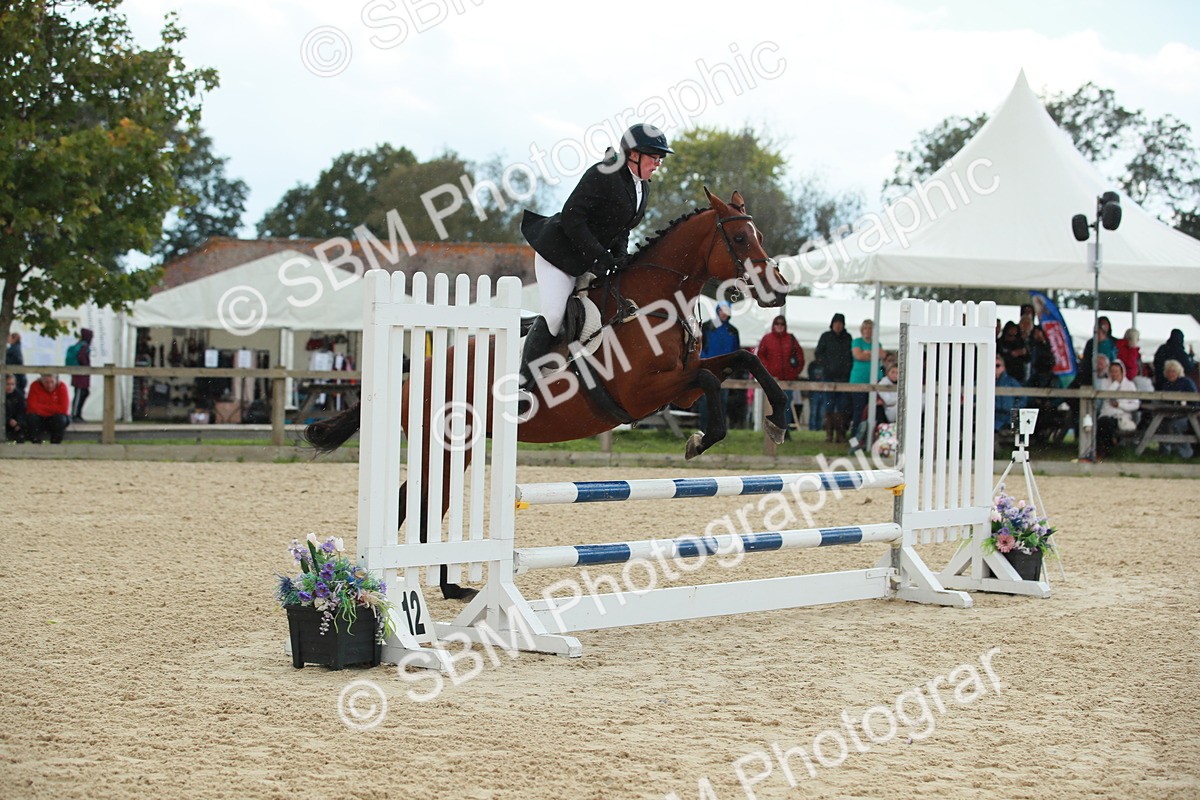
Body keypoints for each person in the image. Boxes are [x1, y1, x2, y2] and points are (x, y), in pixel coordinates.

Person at [518, 123, 672, 388]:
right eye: (654, 157)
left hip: (590, 260)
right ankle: (522, 384)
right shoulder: (604, 173)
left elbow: (622, 228)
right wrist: (600, 256)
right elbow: (572, 217)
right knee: (555, 314)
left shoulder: (642, 187)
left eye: (660, 158)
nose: (658, 163)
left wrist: (621, 257)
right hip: (560, 255)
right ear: (633, 154)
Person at [755, 315, 804, 432]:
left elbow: (800, 358)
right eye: (777, 323)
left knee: (786, 406)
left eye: (782, 324)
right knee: (773, 406)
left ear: (785, 325)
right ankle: (772, 431)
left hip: (788, 380)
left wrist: (793, 372)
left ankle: (784, 431)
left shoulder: (791, 339)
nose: (779, 326)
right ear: (773, 325)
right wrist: (768, 372)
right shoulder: (767, 339)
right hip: (773, 380)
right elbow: (760, 357)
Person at [697, 302, 740, 431]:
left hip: (724, 373)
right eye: (722, 310)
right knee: (706, 403)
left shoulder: (733, 331)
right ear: (717, 310)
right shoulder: (706, 327)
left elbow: (736, 352)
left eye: (727, 310)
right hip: (707, 370)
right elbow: (699, 348)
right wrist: (704, 364)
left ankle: (719, 431)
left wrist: (731, 369)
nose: (724, 313)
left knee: (721, 403)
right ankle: (704, 431)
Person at [815, 313, 853, 442]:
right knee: (828, 405)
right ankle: (829, 434)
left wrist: (846, 369)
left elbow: (850, 357)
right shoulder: (825, 337)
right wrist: (826, 366)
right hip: (828, 377)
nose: (838, 325)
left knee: (842, 406)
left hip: (843, 378)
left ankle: (840, 434)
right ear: (832, 324)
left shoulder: (848, 338)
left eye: (840, 323)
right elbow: (818, 354)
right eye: (836, 323)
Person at [1095, 360, 1138, 460]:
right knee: (1103, 423)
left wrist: (1120, 405)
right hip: (1107, 413)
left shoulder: (1130, 385)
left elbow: (1135, 404)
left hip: (1122, 415)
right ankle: (1102, 451)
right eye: (1112, 371)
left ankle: (1108, 449)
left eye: (1116, 371)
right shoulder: (1105, 382)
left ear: (1122, 372)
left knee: (1109, 424)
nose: (1114, 374)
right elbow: (1107, 396)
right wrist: (1115, 384)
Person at [1159, 359, 1198, 458]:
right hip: (1170, 414)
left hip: (1189, 415)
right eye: (1168, 371)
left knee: (1175, 425)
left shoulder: (1186, 382)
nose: (1171, 374)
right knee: (1161, 423)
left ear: (1178, 372)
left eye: (1173, 371)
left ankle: (1186, 453)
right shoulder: (1166, 384)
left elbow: (1195, 402)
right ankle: (1165, 453)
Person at [848, 319, 879, 436]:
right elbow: (858, 355)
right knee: (858, 410)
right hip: (858, 381)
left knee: (871, 410)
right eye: (865, 328)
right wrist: (871, 354)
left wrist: (867, 353)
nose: (868, 331)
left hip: (873, 381)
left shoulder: (876, 343)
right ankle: (855, 436)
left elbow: (882, 354)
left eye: (870, 328)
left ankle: (868, 436)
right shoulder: (857, 341)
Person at [25, 373, 71, 444]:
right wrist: (54, 408)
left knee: (60, 419)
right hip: (40, 419)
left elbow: (64, 409)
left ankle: (55, 447)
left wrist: (41, 407)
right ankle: (36, 447)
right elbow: (31, 407)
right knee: (32, 418)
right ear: (42, 381)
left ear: (56, 381)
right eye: (46, 382)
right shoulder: (35, 385)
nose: (49, 385)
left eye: (52, 382)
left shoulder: (62, 386)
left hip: (54, 419)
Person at [67, 327, 93, 421]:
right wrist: (86, 366)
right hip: (80, 375)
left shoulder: (80, 345)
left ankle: (77, 414)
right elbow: (81, 358)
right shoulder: (83, 346)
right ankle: (74, 414)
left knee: (84, 392)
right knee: (79, 393)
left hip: (82, 375)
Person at [994, 358, 1025, 434]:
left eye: (997, 365)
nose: (995, 368)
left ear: (1003, 367)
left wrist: (1015, 407)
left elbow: (1023, 396)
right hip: (995, 415)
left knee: (1015, 432)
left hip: (1011, 414)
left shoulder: (1011, 381)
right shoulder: (986, 381)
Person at [5, 373, 26, 442]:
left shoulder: (19, 395)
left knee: (21, 431)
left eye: (12, 384)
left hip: (15, 424)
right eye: (8, 384)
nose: (10, 387)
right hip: (4, 422)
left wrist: (18, 423)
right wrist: (8, 420)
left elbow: (22, 411)